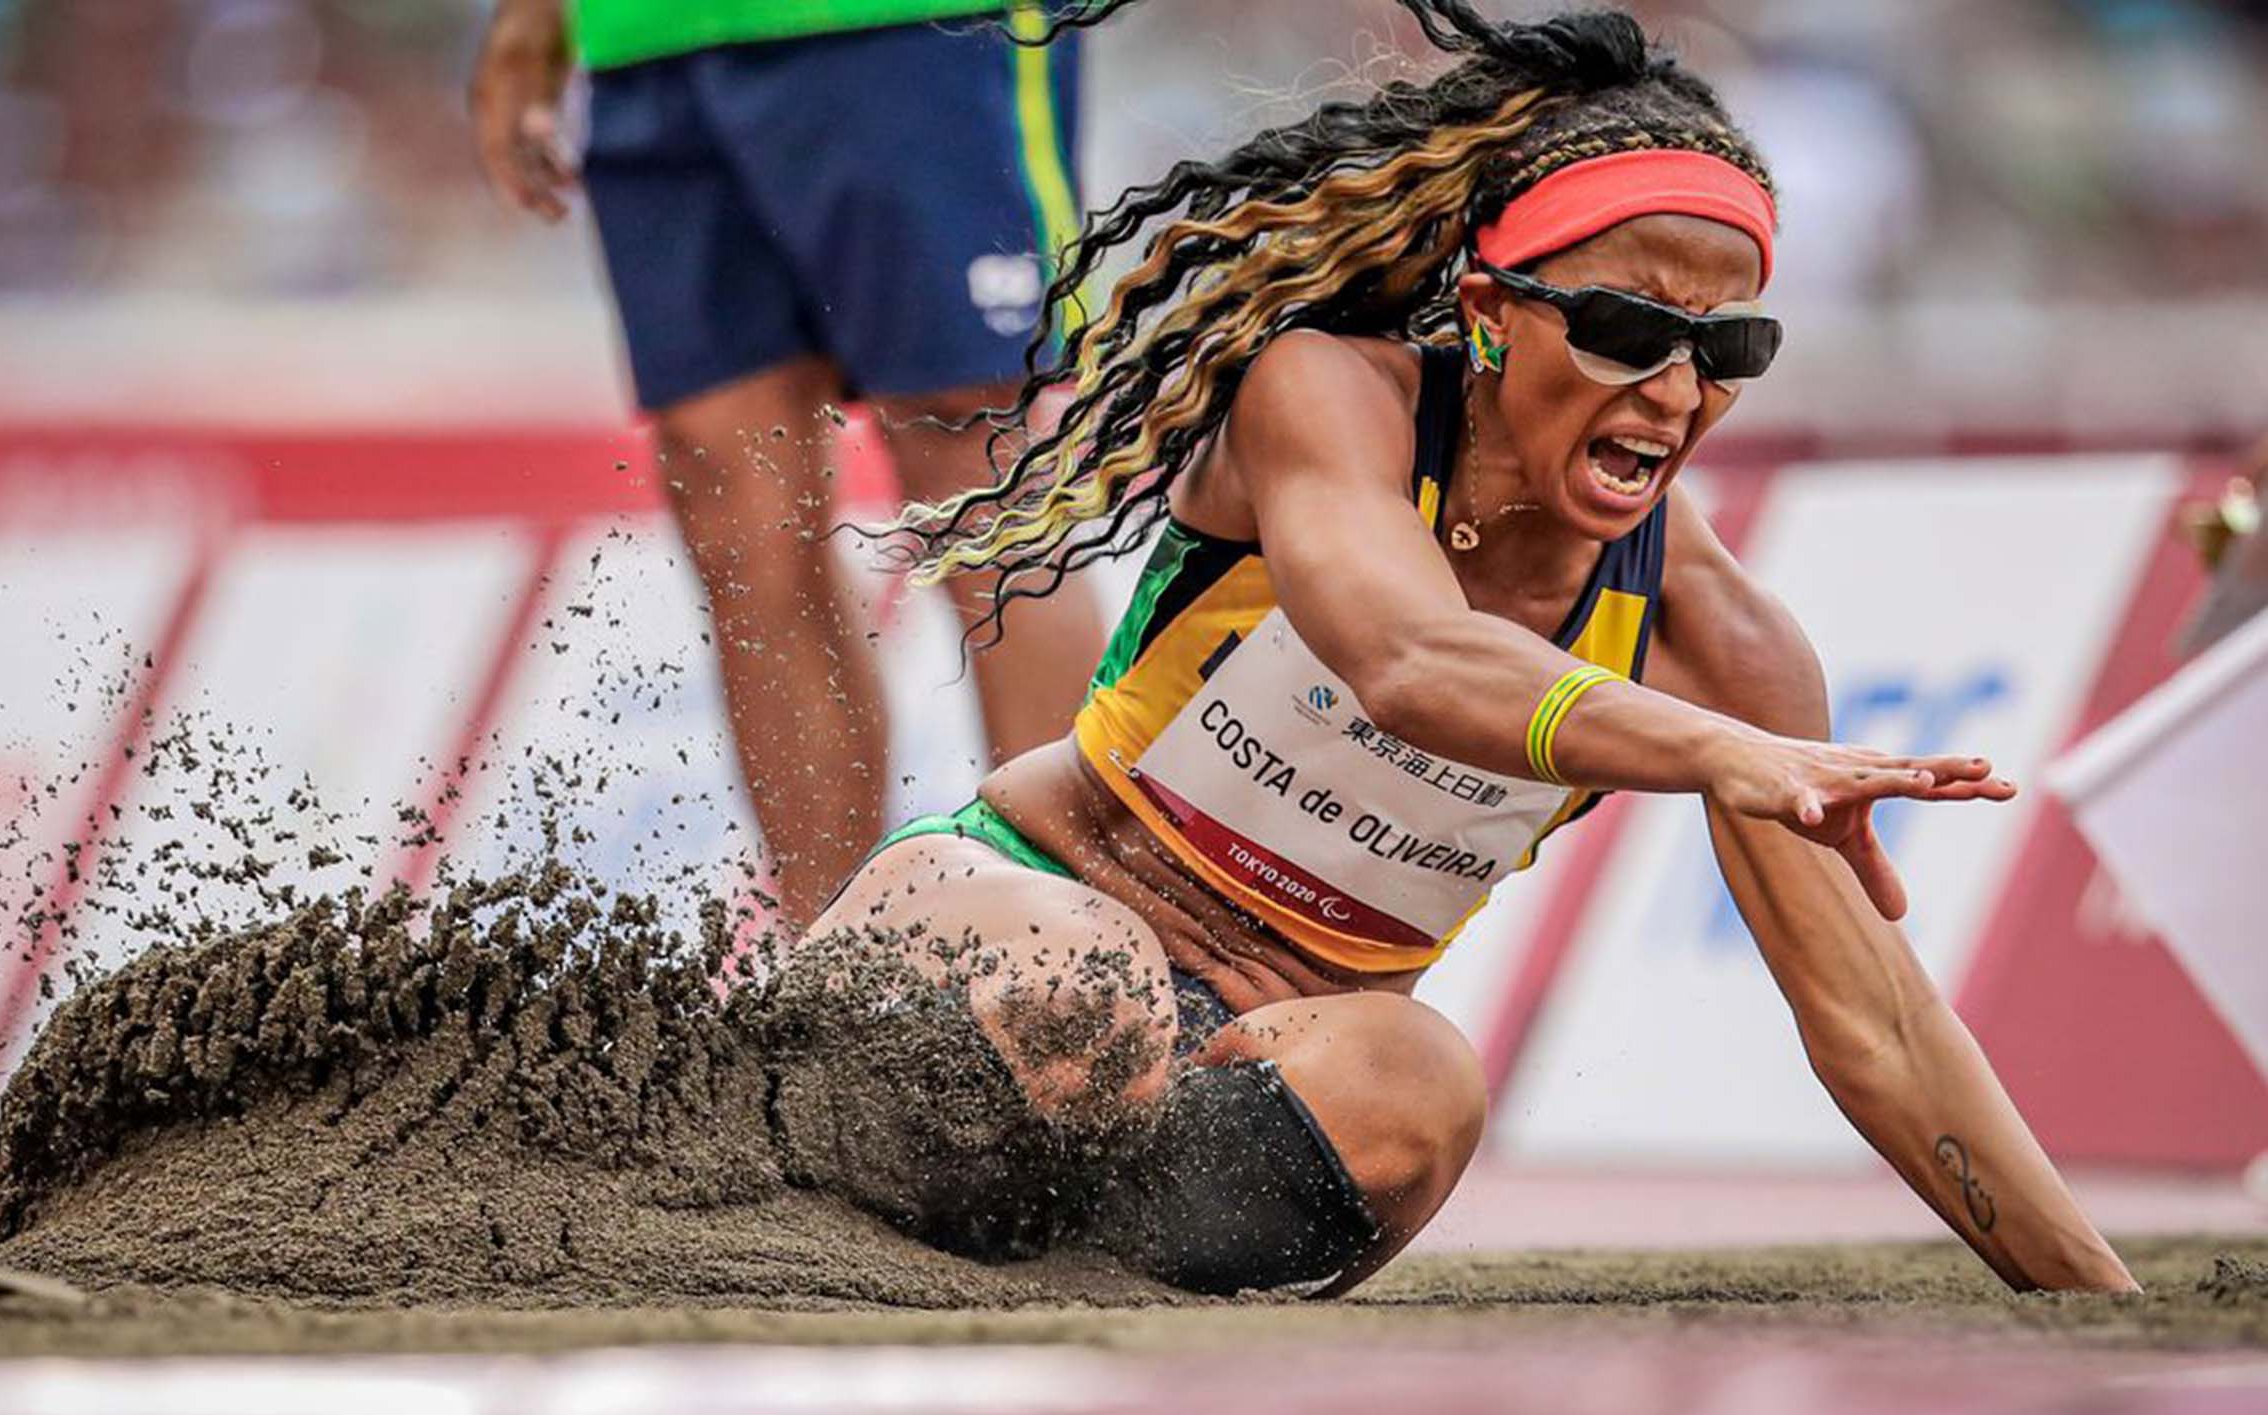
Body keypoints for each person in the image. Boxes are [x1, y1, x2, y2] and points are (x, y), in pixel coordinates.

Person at [808, 0, 2140, 1298]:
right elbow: (1411, 660)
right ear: (1496, 309)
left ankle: (1081, 1272)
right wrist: (1719, 752)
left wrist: (2094, 1294)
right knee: (1090, 1002)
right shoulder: (1331, 394)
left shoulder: (1719, 647)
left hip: (1264, 1042)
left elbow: (1883, 1028)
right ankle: (779, 1140)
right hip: (1017, 904)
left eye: (1727, 348)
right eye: (1626, 332)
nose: (1674, 394)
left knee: (1424, 1094)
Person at [470, 0, 1104, 918]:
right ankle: (831, 976)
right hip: (649, 37)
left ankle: (1084, 965)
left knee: (976, 472)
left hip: (912, 27)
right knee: (737, 509)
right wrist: (532, 20)